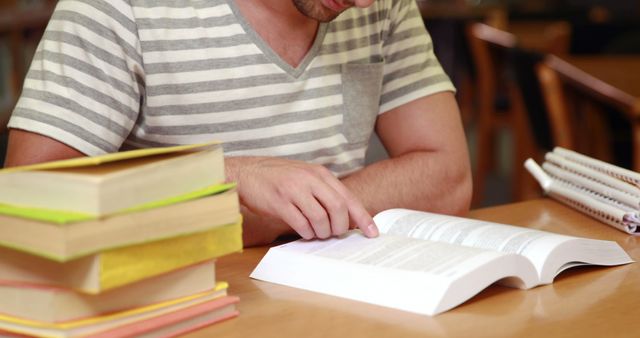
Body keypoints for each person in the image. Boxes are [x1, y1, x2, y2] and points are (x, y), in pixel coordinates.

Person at [4, 0, 472, 246]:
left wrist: (282, 218)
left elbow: (449, 178)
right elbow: (25, 204)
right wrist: (228, 175)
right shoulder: (118, 7)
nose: (366, 2)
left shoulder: (382, 5)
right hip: (173, 302)